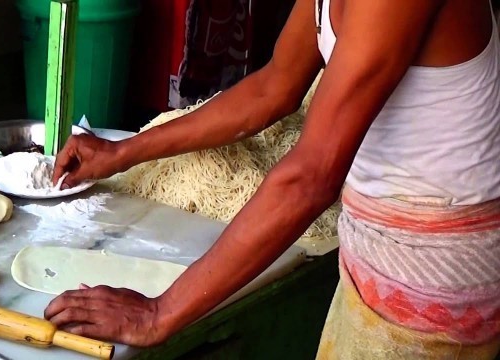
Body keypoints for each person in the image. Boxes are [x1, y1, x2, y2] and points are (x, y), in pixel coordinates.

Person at [44, 0, 500, 357]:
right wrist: (122, 153)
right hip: (373, 250)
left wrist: (159, 313)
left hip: (434, 279)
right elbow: (274, 88)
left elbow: (312, 176)